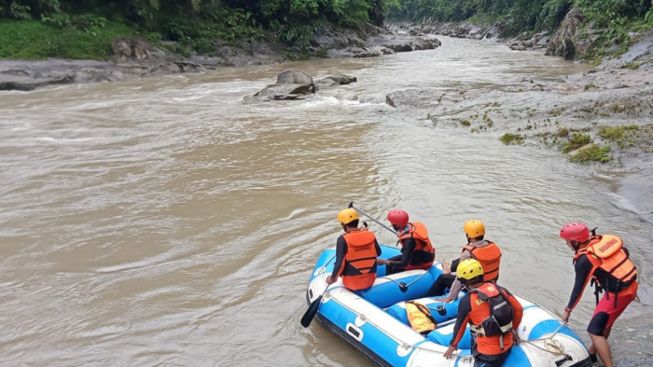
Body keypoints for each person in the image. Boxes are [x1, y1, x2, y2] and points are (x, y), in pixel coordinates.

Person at [559, 222, 638, 367]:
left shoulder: (584, 260)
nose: (567, 245)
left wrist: (567, 310)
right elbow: (625, 253)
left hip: (618, 295)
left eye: (568, 242)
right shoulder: (599, 242)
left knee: (593, 331)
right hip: (631, 287)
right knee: (604, 323)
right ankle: (592, 353)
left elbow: (579, 288)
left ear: (576, 242)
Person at [444, 259, 523, 367]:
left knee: (474, 326)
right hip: (508, 345)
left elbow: (460, 327)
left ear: (464, 281)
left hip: (488, 355)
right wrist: (513, 330)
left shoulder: (467, 301)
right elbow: (518, 309)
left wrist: (453, 345)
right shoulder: (499, 289)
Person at [428, 219, 502, 301]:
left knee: (443, 278)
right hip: (491, 284)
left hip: (473, 286)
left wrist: (450, 297)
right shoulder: (494, 248)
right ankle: (450, 269)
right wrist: (452, 267)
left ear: (468, 236)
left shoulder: (468, 253)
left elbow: (460, 279)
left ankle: (427, 298)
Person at [326, 208, 382, 291]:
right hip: (370, 281)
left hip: (351, 283)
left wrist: (332, 278)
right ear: (357, 222)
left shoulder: (342, 239)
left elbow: (339, 264)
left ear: (344, 225)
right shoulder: (370, 234)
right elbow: (378, 253)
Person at [377, 209, 435, 274]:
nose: (391, 225)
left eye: (392, 224)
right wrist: (387, 262)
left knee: (394, 269)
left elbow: (404, 263)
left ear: (397, 225)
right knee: (389, 262)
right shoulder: (410, 227)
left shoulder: (409, 241)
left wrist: (383, 261)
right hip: (417, 256)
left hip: (422, 262)